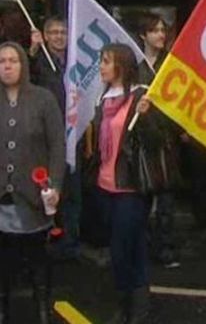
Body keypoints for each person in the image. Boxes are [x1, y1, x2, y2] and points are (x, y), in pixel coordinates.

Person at [86, 43, 161, 324]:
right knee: (128, 246)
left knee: (123, 247)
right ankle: (127, 301)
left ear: (122, 65)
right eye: (101, 61)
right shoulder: (103, 98)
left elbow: (156, 141)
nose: (102, 67)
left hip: (130, 188)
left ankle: (136, 308)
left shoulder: (140, 95)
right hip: (105, 187)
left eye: (106, 61)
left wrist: (146, 117)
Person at [0, 41, 64, 324]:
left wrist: (56, 186)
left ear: (23, 64)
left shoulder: (43, 98)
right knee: (2, 260)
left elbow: (58, 147)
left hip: (35, 196)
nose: (7, 66)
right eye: (2, 61)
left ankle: (42, 308)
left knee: (38, 258)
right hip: (2, 196)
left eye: (13, 60)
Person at [29, 16, 82, 261]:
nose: (59, 36)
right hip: (47, 137)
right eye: (54, 32)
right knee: (48, 191)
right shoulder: (38, 62)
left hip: (72, 135)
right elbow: (25, 81)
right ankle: (48, 240)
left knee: (72, 193)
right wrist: (33, 51)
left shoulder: (76, 62)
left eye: (63, 32)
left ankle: (70, 243)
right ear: (46, 36)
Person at [137, 12, 182, 269]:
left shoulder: (170, 65)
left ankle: (165, 249)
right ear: (144, 35)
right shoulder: (136, 66)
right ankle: (142, 248)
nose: (160, 35)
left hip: (165, 139)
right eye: (155, 30)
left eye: (163, 30)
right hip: (143, 141)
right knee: (142, 199)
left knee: (166, 201)